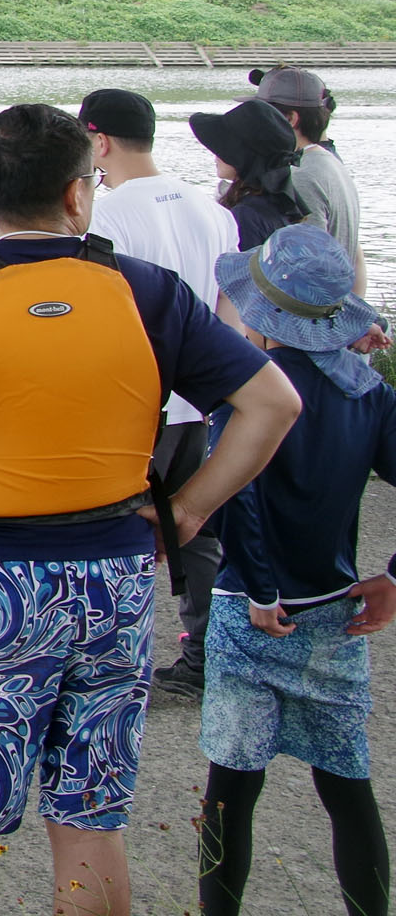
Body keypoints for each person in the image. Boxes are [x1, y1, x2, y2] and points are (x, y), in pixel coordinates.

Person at [0, 102, 301, 916]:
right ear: (76, 195)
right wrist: (188, 510)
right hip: (114, 582)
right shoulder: (147, 292)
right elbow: (272, 404)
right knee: (90, 820)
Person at [195, 224, 392, 916]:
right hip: (336, 606)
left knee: (231, 786)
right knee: (346, 784)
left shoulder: (250, 396)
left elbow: (236, 496)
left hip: (250, 612)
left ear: (262, 315)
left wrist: (257, 587)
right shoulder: (368, 394)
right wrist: (394, 575)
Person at [76, 87, 240, 700]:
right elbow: (229, 316)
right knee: (193, 529)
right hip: (199, 400)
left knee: (114, 525)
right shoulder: (214, 210)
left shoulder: (107, 214)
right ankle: (204, 653)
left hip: (134, 400)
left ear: (99, 141)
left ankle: (107, 653)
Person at [251, 64, 366, 295]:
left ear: (290, 119)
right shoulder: (329, 161)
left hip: (312, 318)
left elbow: (310, 267)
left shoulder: (300, 174)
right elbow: (356, 258)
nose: (255, 123)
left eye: (262, 113)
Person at [190, 98, 308, 250]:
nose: (215, 156)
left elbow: (239, 272)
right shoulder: (281, 203)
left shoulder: (246, 215)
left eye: (222, 148)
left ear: (241, 156)